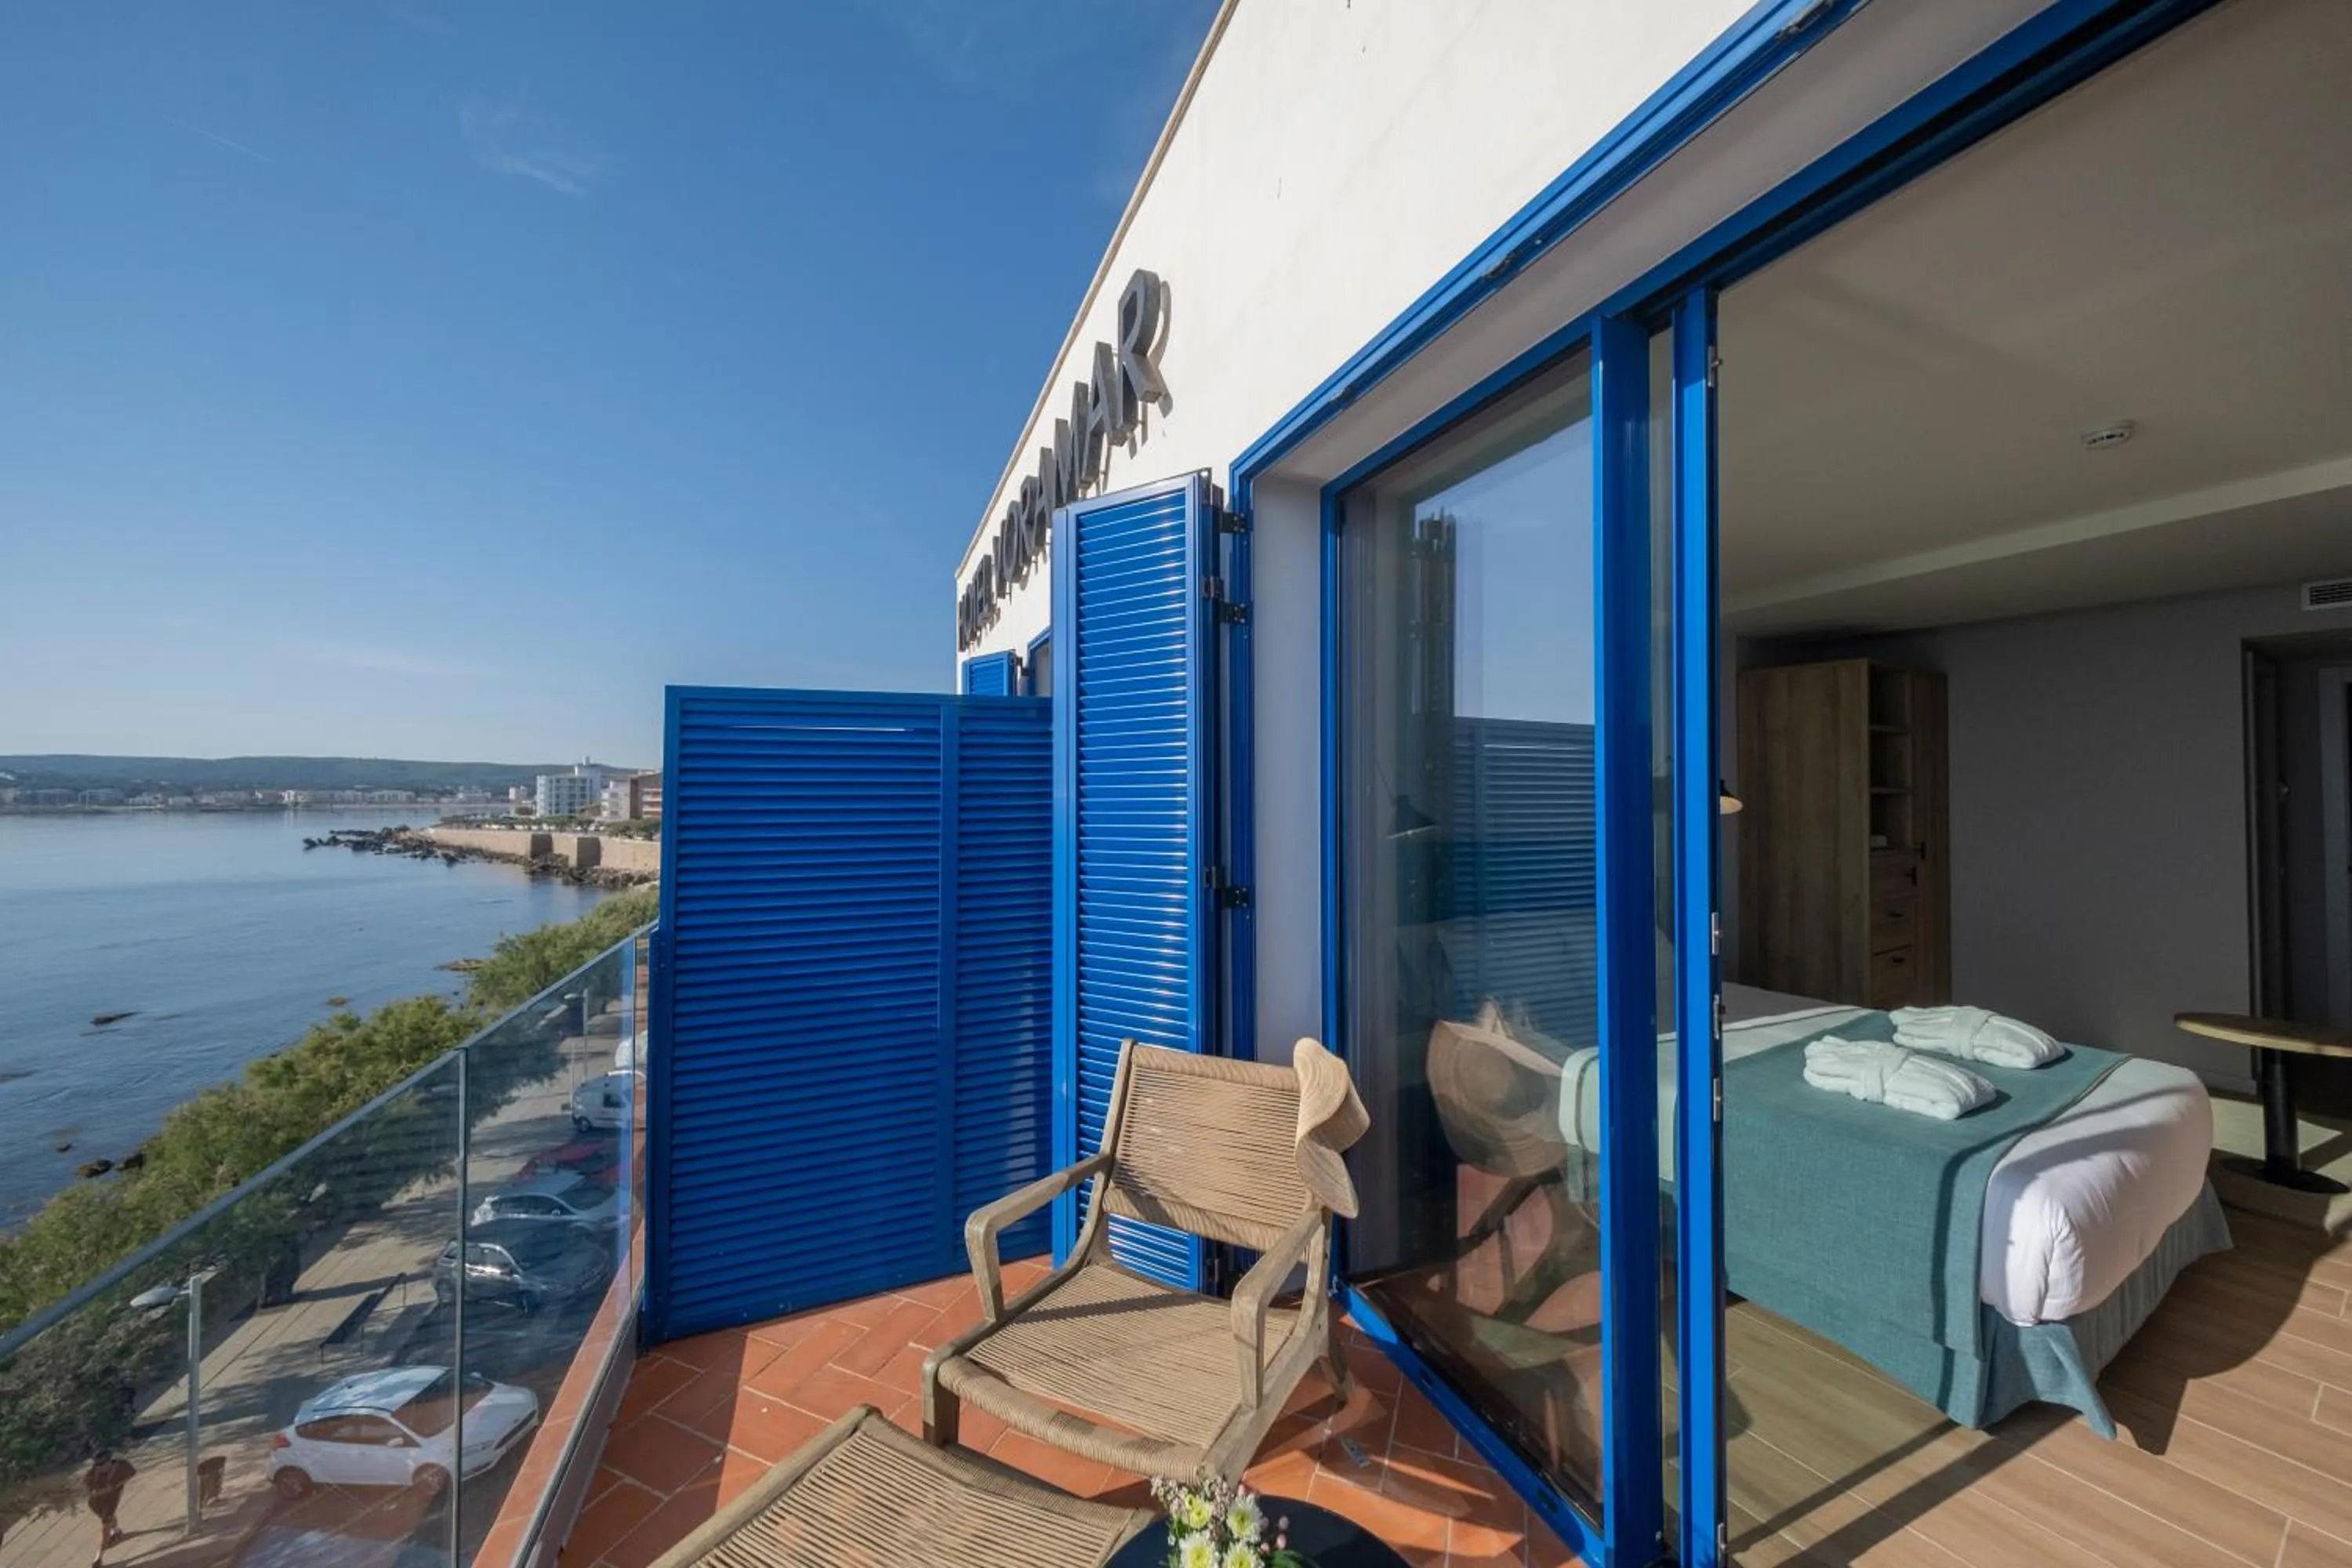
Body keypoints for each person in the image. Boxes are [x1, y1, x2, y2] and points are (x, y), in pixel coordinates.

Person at [83, 1451, 135, 1567]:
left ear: (109, 1461)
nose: (100, 1467)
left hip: (110, 1503)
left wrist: (118, 1485)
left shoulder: (121, 1465)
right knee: (110, 1519)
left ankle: (98, 1558)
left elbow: (131, 1473)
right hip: (96, 1504)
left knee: (105, 1529)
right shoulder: (91, 1475)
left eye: (103, 1464)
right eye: (98, 1465)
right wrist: (107, 1490)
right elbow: (92, 1493)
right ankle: (116, 1531)